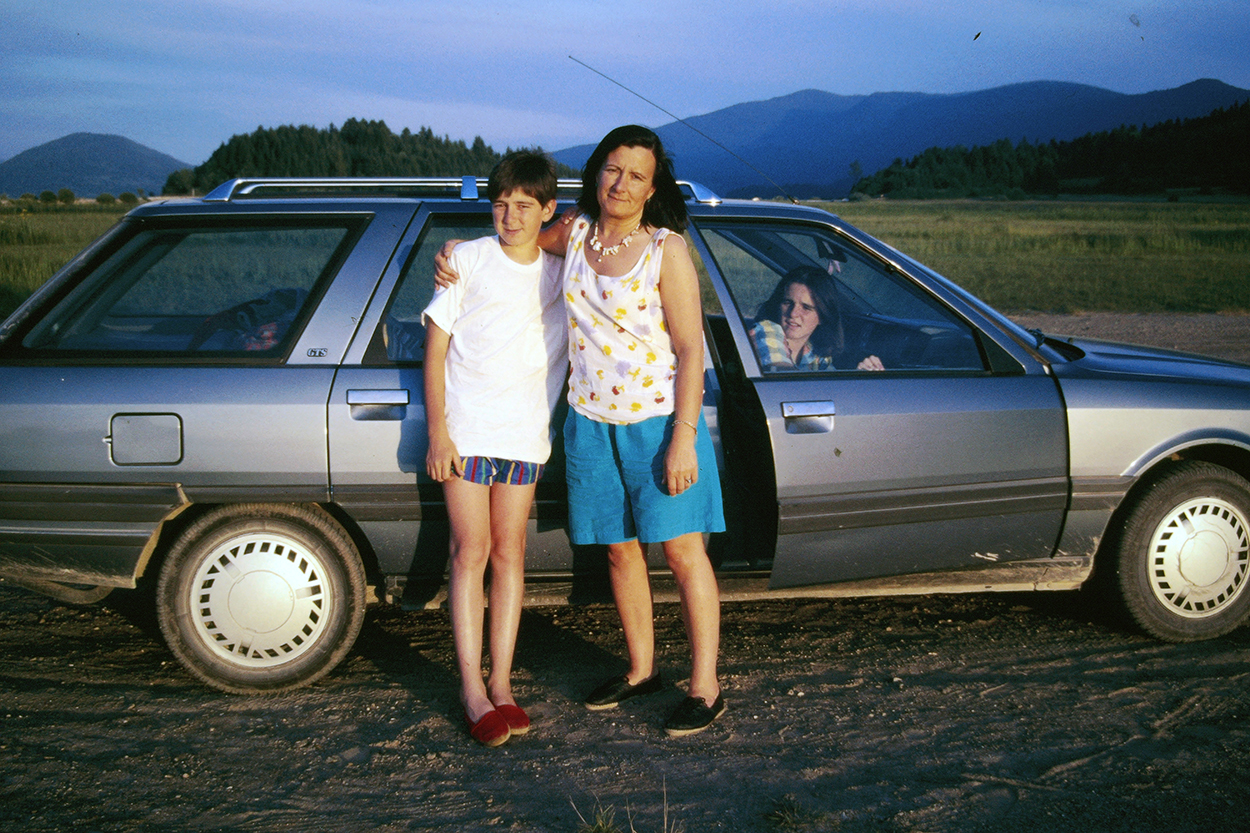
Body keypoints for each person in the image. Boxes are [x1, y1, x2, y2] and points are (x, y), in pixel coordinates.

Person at [437, 125, 727, 737]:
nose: (621, 184)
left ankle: (705, 687)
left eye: (637, 176)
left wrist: (683, 435)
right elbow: (513, 240)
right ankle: (641, 670)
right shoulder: (573, 234)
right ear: (597, 172)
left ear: (652, 189)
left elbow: (690, 349)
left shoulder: (666, 249)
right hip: (591, 423)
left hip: (658, 423)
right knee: (620, 551)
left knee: (682, 552)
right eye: (613, 169)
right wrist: (459, 250)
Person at [422, 150, 567, 747]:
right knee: (471, 551)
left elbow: (605, 231)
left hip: (525, 435)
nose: (510, 216)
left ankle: (502, 683)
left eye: (525, 206)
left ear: (548, 210)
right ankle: (471, 689)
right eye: (501, 204)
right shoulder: (468, 260)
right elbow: (435, 350)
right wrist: (439, 432)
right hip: (468, 432)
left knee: (510, 554)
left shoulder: (563, 271)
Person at [749, 266, 885, 371]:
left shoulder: (813, 352)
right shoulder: (766, 330)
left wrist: (861, 376)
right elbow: (783, 376)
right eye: (788, 302)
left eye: (806, 307)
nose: (793, 313)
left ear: (822, 317)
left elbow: (830, 387)